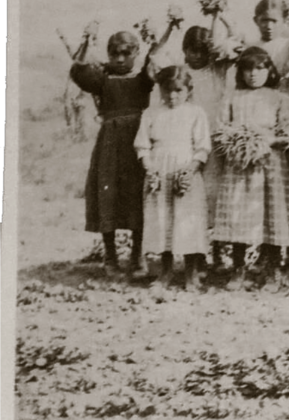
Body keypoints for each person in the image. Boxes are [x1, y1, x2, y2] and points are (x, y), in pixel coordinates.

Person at [148, 23, 239, 271]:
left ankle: (218, 251)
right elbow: (154, 56)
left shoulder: (218, 69)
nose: (196, 55)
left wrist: (218, 16)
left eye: (201, 50)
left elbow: (234, 45)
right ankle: (195, 255)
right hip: (187, 146)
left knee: (215, 195)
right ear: (184, 50)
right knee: (191, 199)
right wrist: (167, 27)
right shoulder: (179, 73)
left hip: (215, 141)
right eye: (191, 50)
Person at [70, 30, 155, 279]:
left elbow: (157, 66)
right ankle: (110, 256)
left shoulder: (142, 78)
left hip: (138, 143)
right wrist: (85, 42)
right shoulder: (102, 79)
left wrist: (157, 38)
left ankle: (138, 255)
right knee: (108, 195)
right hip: (109, 145)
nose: (119, 59)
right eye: (114, 53)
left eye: (126, 53)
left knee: (138, 195)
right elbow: (79, 72)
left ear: (136, 53)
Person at [210, 47, 289, 292]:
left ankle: (273, 269)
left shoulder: (279, 98)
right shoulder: (232, 97)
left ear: (269, 70)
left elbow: (287, 133)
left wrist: (267, 141)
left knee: (272, 214)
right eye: (247, 69)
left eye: (259, 68)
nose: (253, 74)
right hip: (240, 162)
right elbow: (220, 129)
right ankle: (239, 268)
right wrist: (237, 140)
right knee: (240, 213)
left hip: (270, 161)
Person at [134, 67, 212, 292]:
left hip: (185, 170)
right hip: (159, 171)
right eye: (167, 91)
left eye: (178, 91)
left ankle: (191, 273)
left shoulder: (196, 113)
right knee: (163, 220)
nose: (172, 96)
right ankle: (165, 272)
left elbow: (202, 148)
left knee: (187, 220)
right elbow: (142, 145)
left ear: (188, 90)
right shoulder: (151, 113)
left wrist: (189, 170)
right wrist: (150, 169)